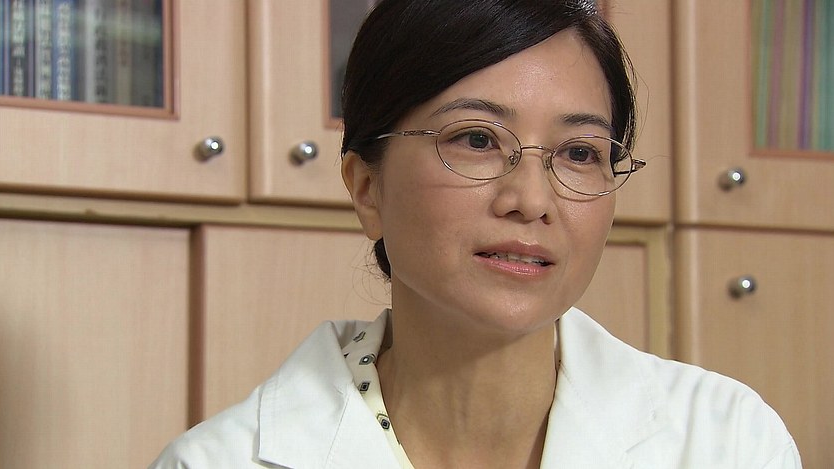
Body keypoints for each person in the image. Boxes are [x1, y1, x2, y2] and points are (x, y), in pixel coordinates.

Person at [150, 0, 801, 467]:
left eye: (579, 152)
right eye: (476, 140)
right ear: (367, 187)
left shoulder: (724, 442)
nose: (531, 201)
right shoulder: (215, 461)